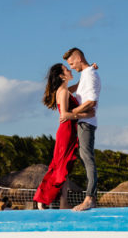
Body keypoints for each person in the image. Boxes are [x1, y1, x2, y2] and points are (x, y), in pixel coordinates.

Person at [33, 63, 95, 210]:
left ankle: (63, 202)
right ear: (62, 76)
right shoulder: (63, 92)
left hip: (68, 132)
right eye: (67, 69)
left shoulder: (64, 90)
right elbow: (65, 115)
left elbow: (78, 86)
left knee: (63, 168)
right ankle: (42, 199)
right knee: (60, 167)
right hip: (66, 132)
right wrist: (87, 114)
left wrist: (89, 71)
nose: (70, 69)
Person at [63, 47, 101, 211]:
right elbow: (78, 89)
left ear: (78, 58)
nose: (71, 67)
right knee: (83, 157)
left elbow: (91, 101)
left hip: (87, 122)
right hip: (82, 121)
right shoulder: (86, 74)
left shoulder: (90, 74)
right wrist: (61, 91)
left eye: (71, 63)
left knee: (87, 158)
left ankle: (90, 198)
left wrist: (71, 113)